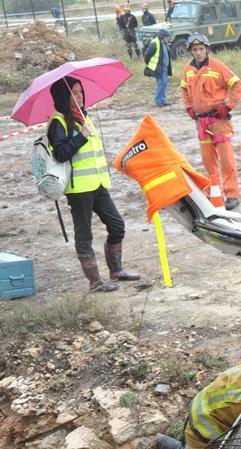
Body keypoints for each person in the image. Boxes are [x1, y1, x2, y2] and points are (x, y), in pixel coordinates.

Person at [47, 77, 141, 292]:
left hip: (98, 184)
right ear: (64, 96)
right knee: (84, 235)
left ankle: (116, 270)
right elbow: (61, 154)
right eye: (74, 93)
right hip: (79, 189)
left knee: (117, 225)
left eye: (81, 92)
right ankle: (95, 282)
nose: (79, 96)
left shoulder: (84, 117)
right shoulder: (58, 122)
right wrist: (81, 137)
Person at [181, 34, 241, 211]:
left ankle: (232, 194)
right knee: (208, 160)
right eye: (195, 50)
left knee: (227, 160)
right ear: (191, 51)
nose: (198, 52)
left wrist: (228, 107)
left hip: (219, 121)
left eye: (201, 49)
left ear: (206, 49)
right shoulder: (188, 69)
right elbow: (184, 89)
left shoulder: (217, 66)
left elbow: (239, 86)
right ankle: (214, 191)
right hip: (201, 123)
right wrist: (189, 108)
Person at [142, 29, 172, 107]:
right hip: (158, 68)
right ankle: (158, 101)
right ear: (163, 37)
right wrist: (150, 64)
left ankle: (163, 100)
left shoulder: (164, 43)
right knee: (161, 83)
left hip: (164, 67)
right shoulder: (155, 43)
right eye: (166, 37)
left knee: (164, 84)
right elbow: (147, 55)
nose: (167, 38)